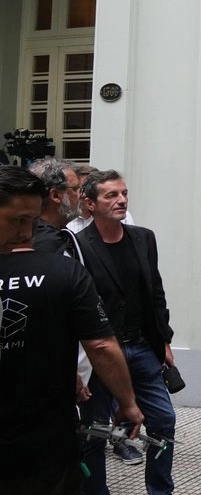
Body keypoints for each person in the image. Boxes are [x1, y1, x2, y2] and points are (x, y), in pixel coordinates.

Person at [0, 167, 145, 495]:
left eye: (31, 221)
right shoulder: (63, 270)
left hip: (45, 437)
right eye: (16, 220)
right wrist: (127, 402)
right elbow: (101, 345)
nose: (25, 232)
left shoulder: (65, 265)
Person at [77, 170, 178, 495]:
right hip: (100, 354)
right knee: (94, 430)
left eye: (124, 193)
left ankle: (160, 490)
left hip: (142, 346)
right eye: (111, 195)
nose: (121, 200)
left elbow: (155, 292)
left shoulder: (143, 238)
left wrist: (164, 340)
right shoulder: (78, 246)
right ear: (90, 203)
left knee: (163, 420)